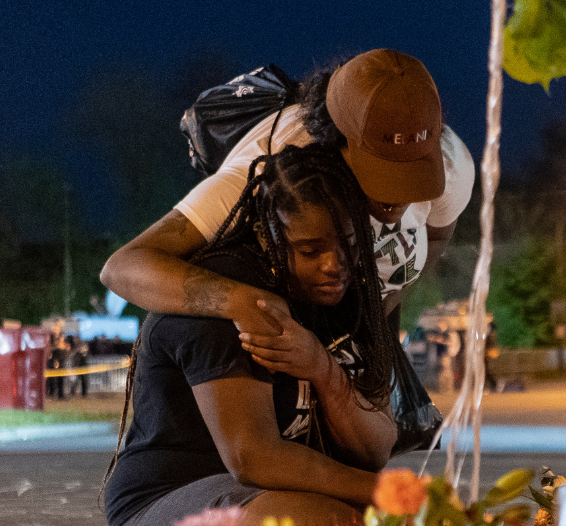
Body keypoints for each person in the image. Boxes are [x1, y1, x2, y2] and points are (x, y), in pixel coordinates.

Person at [103, 144, 398, 526]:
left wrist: (322, 369)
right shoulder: (233, 296)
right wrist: (384, 498)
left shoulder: (341, 303)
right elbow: (253, 458)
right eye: (311, 250)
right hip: (161, 511)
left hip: (260, 498)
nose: (334, 264)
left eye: (347, 247)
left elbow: (375, 446)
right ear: (269, 233)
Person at [99, 49, 474, 337]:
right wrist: (243, 302)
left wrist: (382, 311)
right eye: (383, 175)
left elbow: (438, 232)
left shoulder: (451, 161)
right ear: (335, 142)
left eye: (413, 176)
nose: (397, 199)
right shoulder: (275, 170)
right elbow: (125, 267)